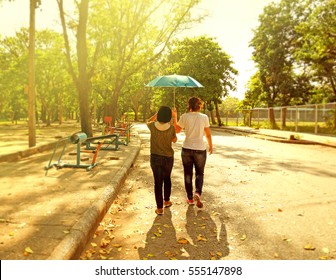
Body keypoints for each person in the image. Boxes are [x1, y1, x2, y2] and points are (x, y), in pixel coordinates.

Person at [172, 97, 213, 208]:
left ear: (189, 105)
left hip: (187, 148)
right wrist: (211, 145)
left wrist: (175, 116)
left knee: (188, 173)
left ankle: (190, 198)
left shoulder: (184, 117)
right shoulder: (204, 117)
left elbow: (176, 130)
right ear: (199, 106)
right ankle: (197, 193)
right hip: (200, 148)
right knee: (200, 173)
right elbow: (208, 134)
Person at [147, 106, 177, 215]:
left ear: (159, 115)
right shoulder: (171, 128)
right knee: (167, 179)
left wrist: (156, 114)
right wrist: (174, 117)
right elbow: (174, 140)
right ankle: (167, 200)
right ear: (169, 116)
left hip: (155, 157)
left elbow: (147, 121)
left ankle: (159, 208)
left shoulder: (152, 126)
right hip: (168, 157)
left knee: (157, 182)